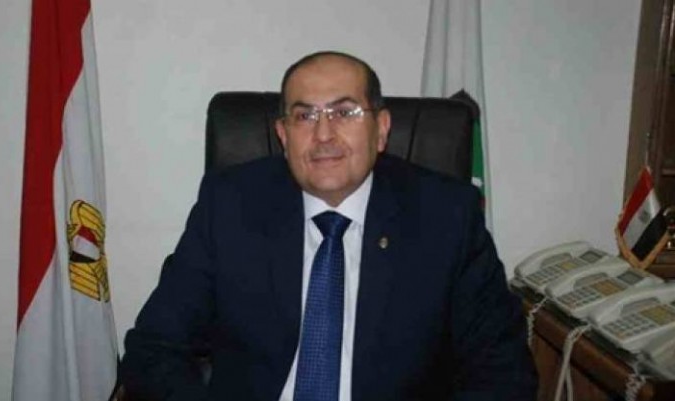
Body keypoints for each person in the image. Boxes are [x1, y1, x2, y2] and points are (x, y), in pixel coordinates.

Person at [120, 51, 537, 401]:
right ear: (283, 135)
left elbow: (504, 372)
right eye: (304, 116)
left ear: (381, 129)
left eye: (344, 112)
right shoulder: (230, 205)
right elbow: (152, 348)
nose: (323, 134)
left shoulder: (446, 216)